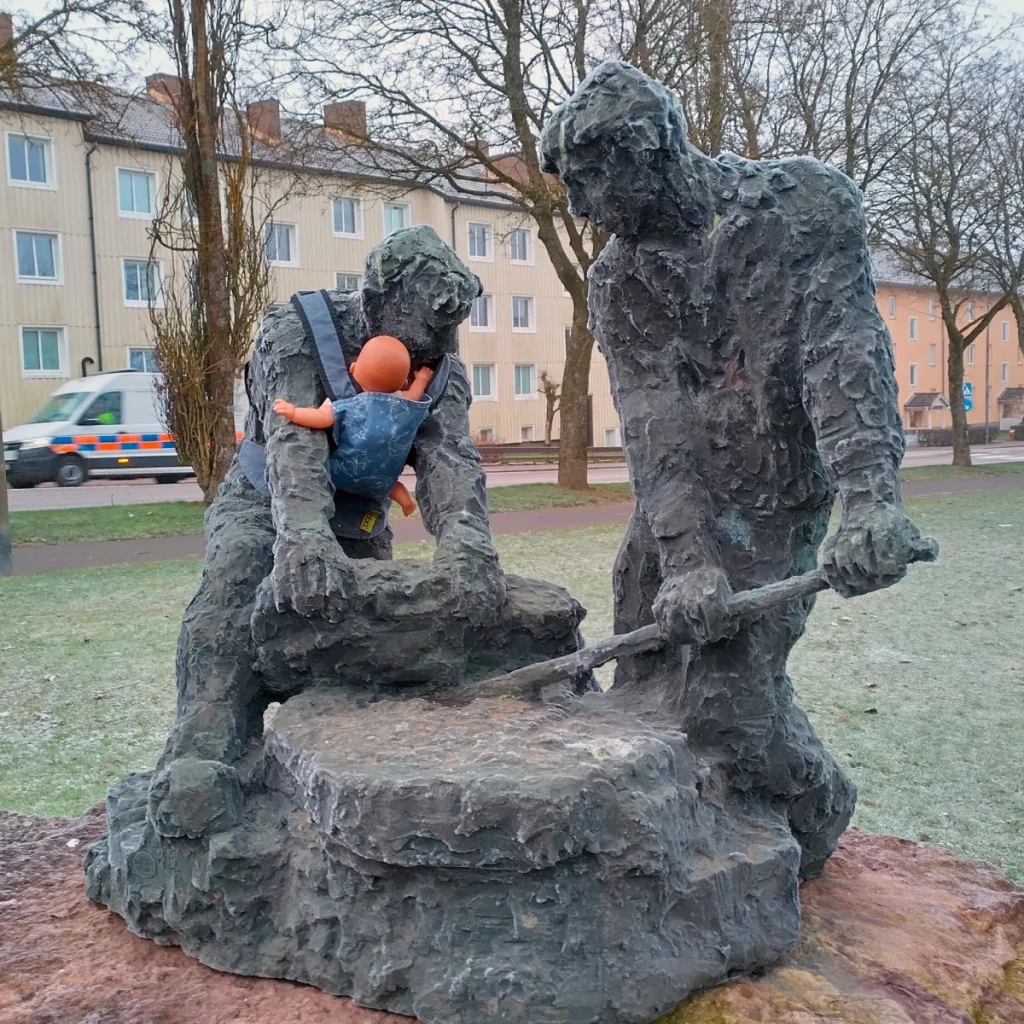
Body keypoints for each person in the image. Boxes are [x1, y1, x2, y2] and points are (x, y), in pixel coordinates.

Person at [540, 62, 936, 878]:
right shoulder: (618, 279)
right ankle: (680, 840)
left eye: (588, 184)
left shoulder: (803, 206)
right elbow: (652, 419)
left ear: (642, 153)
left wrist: (868, 500)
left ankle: (813, 810)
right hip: (678, 507)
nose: (580, 210)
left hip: (777, 497)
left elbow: (845, 355)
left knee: (728, 702)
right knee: (644, 681)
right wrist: (684, 558)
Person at [273, 334, 434, 517]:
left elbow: (321, 417)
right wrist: (422, 379)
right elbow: (415, 395)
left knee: (322, 473)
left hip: (341, 474)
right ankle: (405, 499)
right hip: (382, 480)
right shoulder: (404, 405)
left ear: (354, 369)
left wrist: (294, 412)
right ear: (403, 382)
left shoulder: (351, 405)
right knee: (391, 486)